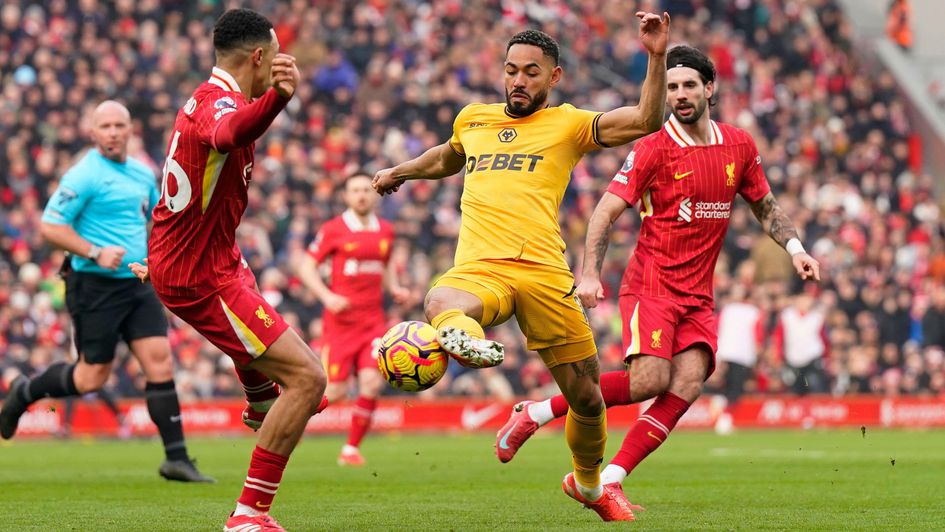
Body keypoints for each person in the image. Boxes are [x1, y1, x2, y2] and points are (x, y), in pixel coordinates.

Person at [373, 14, 671, 522]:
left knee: (588, 400)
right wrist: (400, 171)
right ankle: (460, 337)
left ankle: (588, 485)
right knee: (441, 300)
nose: (518, 80)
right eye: (511, 70)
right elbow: (448, 157)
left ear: (553, 78)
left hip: (543, 273)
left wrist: (657, 55)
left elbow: (645, 120)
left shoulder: (569, 124)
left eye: (531, 72)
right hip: (481, 266)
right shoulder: (474, 119)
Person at [494, 45, 821, 500]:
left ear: (711, 88)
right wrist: (590, 274)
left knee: (688, 381)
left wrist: (796, 248)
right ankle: (537, 412)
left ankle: (610, 481)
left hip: (698, 294)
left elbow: (764, 205)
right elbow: (603, 214)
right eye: (671, 88)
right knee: (649, 381)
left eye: (689, 85)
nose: (680, 95)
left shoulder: (739, 144)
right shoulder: (653, 149)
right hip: (652, 285)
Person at [131, 9, 327, 531]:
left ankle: (261, 400)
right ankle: (248, 515)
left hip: (212, 258)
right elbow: (225, 135)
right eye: (276, 52)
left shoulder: (204, 94)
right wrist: (278, 100)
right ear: (259, 57)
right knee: (309, 380)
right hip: (199, 274)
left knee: (299, 384)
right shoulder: (221, 105)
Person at [0, 100, 213, 482]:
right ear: (93, 133)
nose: (114, 132)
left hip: (136, 283)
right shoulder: (84, 175)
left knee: (160, 361)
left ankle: (177, 459)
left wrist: (155, 259)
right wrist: (94, 252)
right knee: (90, 379)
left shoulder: (142, 172)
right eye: (106, 126)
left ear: (130, 130)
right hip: (93, 286)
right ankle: (24, 392)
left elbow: (151, 222)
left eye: (120, 125)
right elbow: (50, 227)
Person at [295, 171, 408, 467]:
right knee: (336, 390)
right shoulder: (334, 229)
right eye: (355, 190)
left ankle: (351, 449)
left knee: (372, 383)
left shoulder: (385, 230)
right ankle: (290, 423)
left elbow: (385, 266)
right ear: (346, 196)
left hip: (373, 323)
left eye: (365, 190)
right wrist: (327, 296)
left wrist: (394, 288)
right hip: (340, 325)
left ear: (374, 194)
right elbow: (306, 267)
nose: (361, 195)